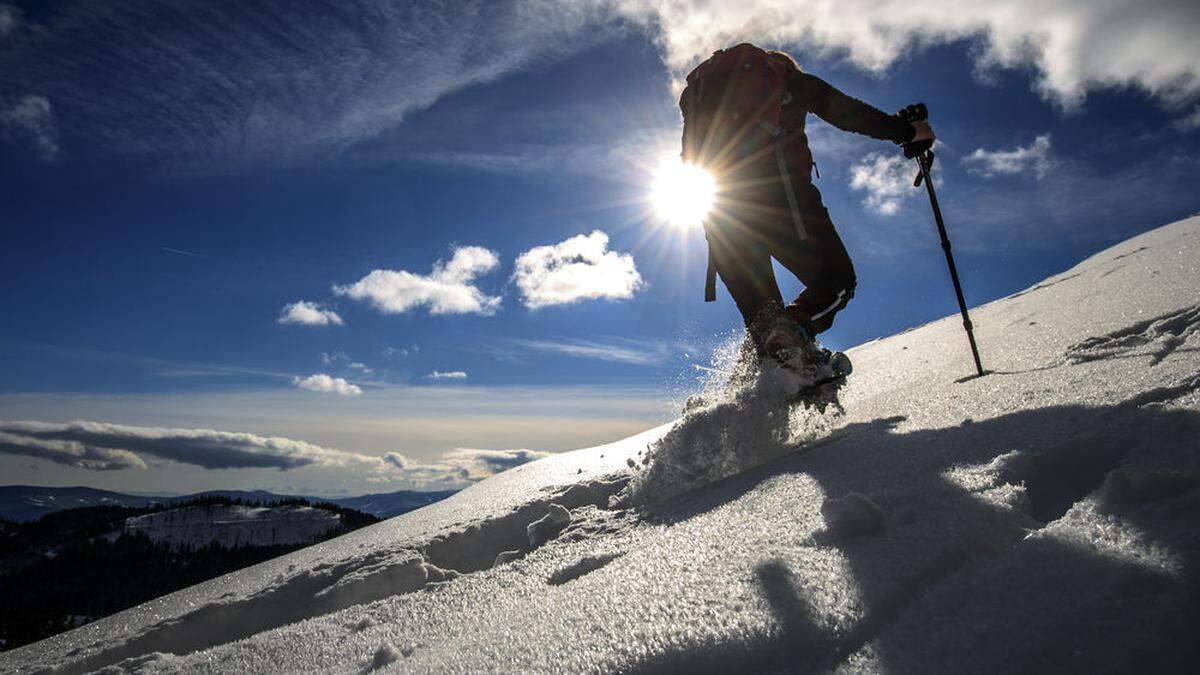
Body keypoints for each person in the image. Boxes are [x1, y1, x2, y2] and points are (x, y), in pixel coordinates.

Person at [679, 43, 934, 375]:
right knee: (837, 280)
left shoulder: (708, 97)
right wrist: (907, 131)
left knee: (766, 322)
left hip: (718, 213)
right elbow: (848, 113)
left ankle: (762, 382)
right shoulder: (789, 81)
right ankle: (792, 346)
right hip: (782, 202)